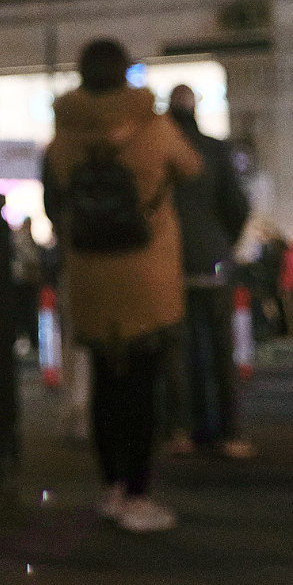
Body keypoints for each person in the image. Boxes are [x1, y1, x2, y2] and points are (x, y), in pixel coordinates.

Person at [43, 39, 201, 533]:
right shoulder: (155, 126)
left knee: (107, 387)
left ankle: (112, 487)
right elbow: (193, 168)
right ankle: (138, 492)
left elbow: (53, 202)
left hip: (90, 273)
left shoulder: (64, 136)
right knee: (143, 386)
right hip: (147, 276)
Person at [166, 83, 253, 458]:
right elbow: (238, 206)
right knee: (221, 349)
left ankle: (180, 428)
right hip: (213, 261)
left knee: (177, 350)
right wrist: (223, 244)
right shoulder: (216, 150)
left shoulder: (160, 151)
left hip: (169, 263)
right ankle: (228, 431)